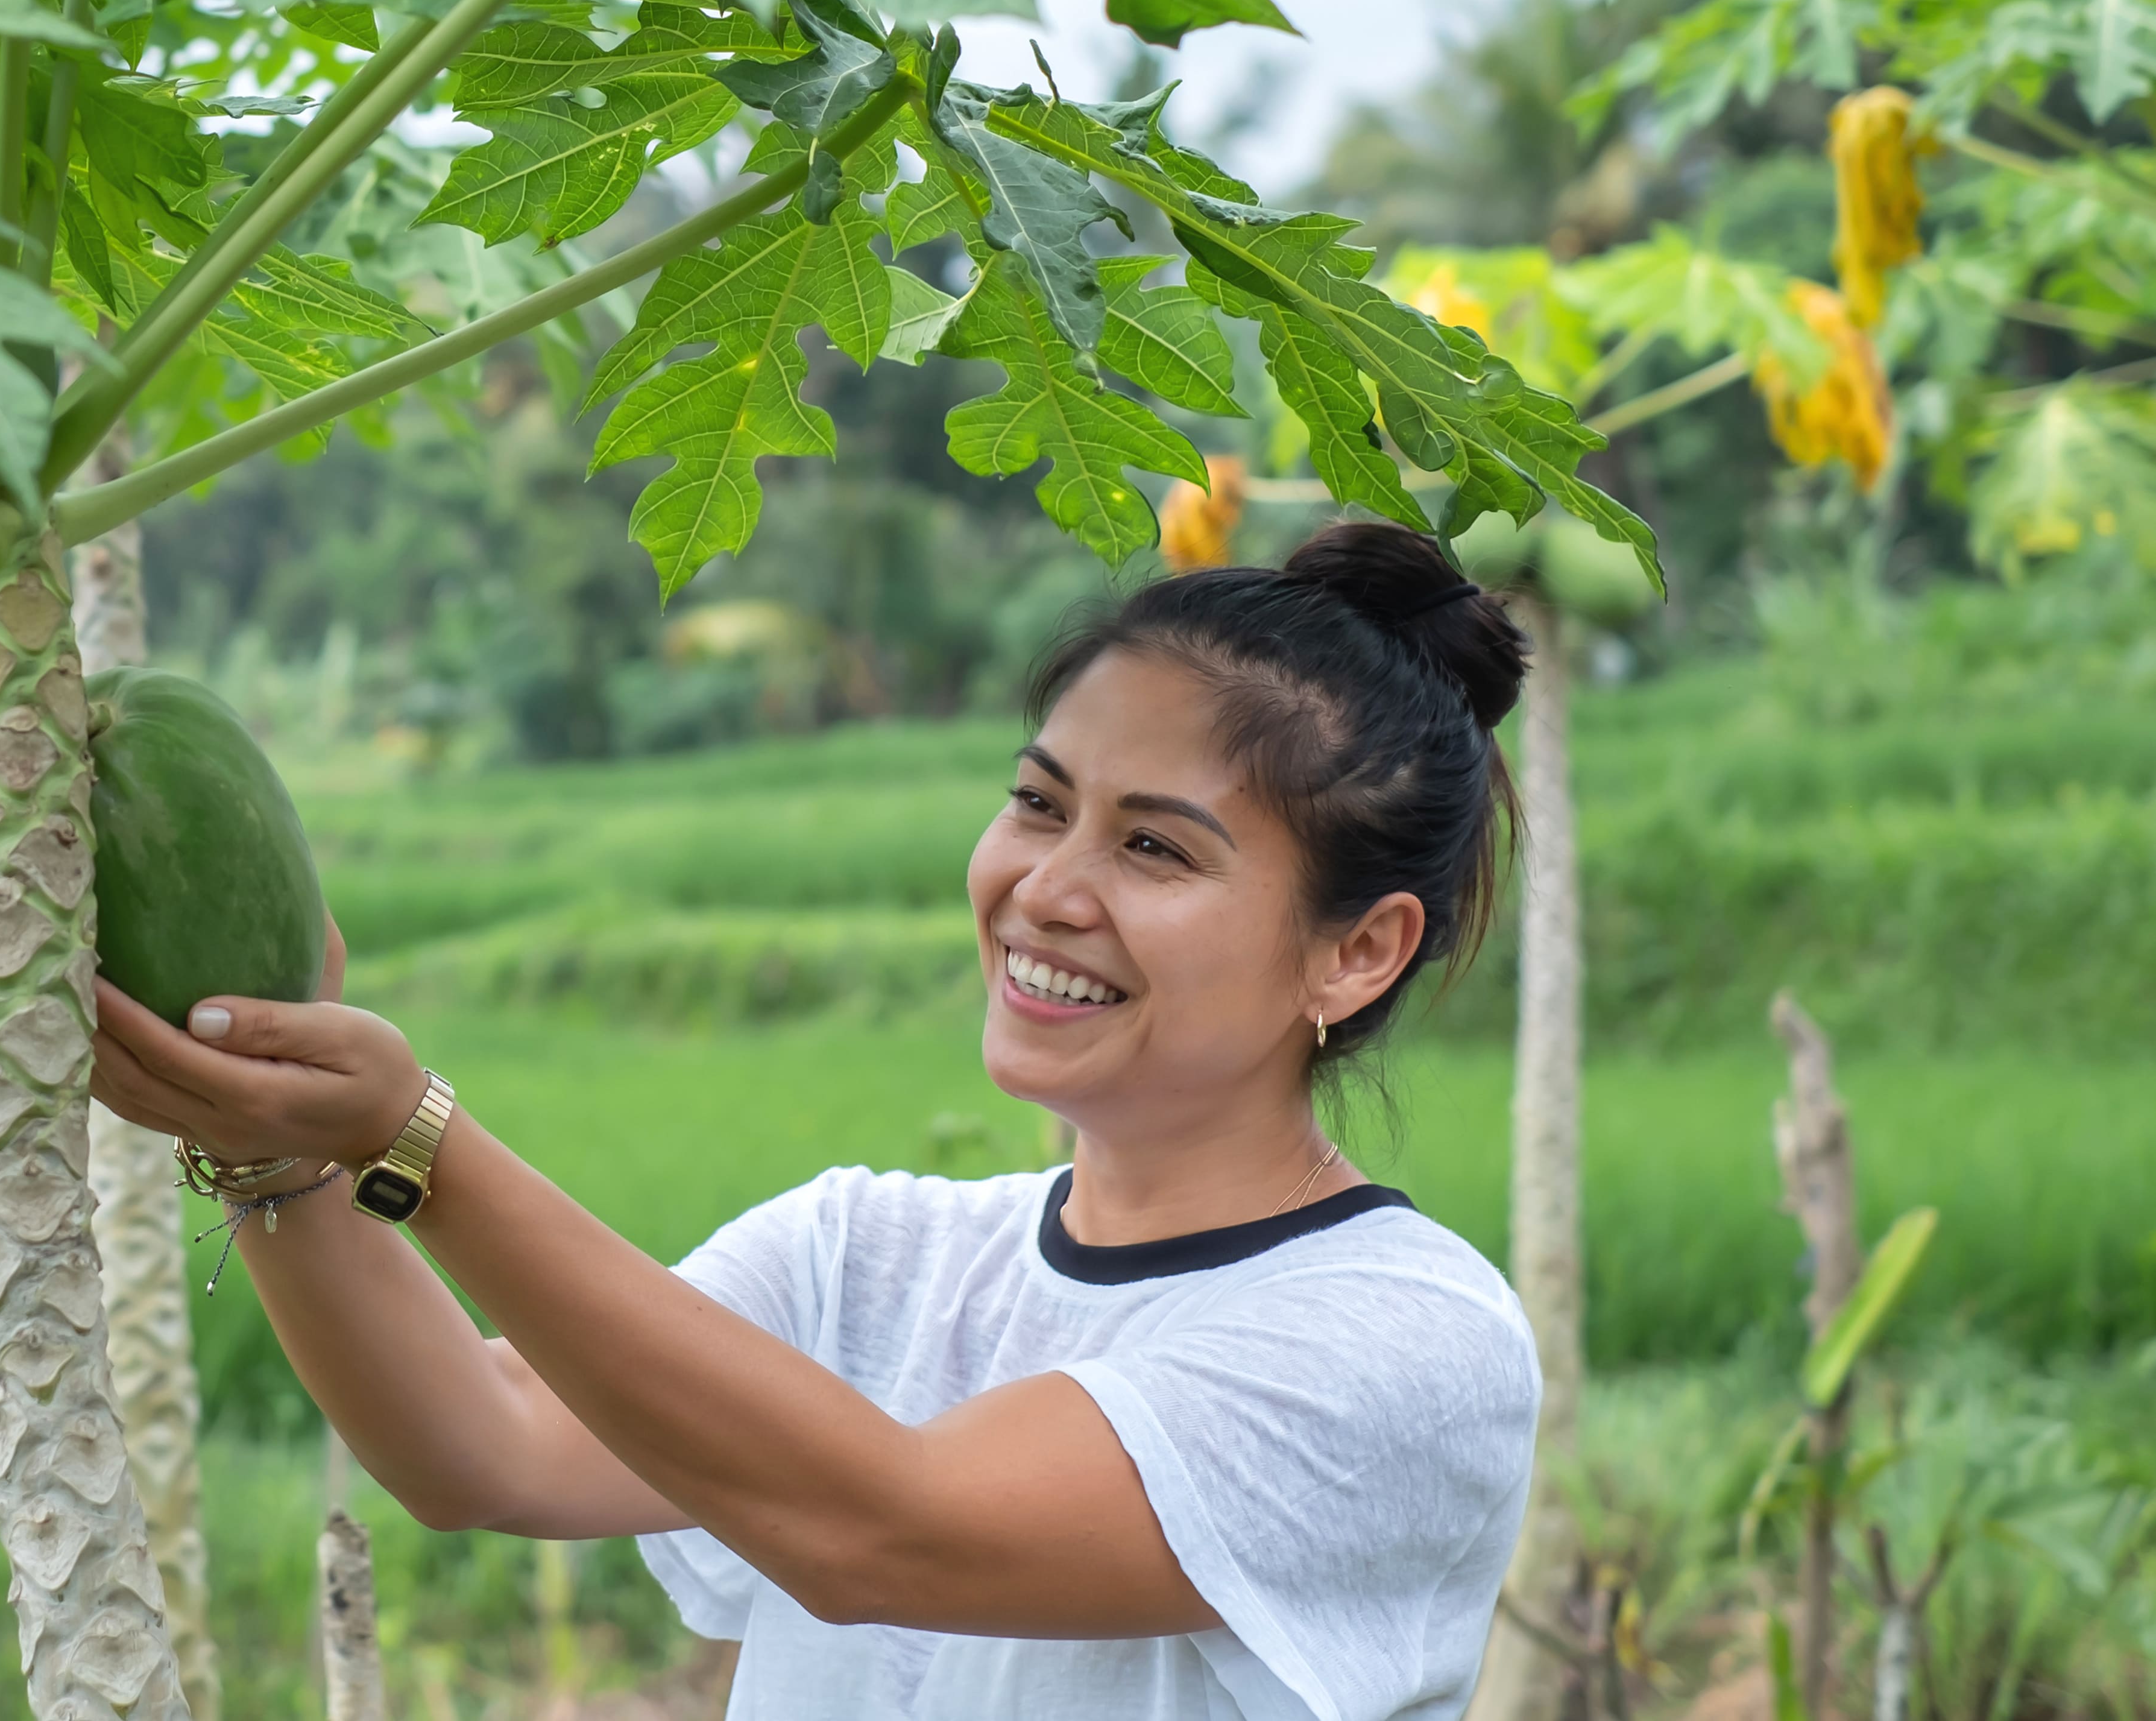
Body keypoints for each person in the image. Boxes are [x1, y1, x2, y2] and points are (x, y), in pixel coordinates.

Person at [93, 519, 1544, 1721]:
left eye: (1154, 847)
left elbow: (889, 1531)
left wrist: (418, 1140)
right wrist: (277, 1150)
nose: (1048, 887)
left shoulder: (1406, 1344)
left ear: (1357, 951)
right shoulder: (865, 1253)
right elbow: (487, 1443)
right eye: (1039, 806)